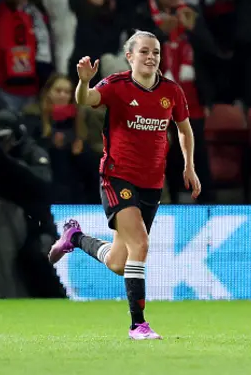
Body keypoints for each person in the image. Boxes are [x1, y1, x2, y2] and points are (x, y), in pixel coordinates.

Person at [47, 30, 201, 340]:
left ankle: (74, 238)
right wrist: (84, 81)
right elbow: (85, 100)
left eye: (155, 52)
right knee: (141, 245)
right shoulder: (116, 86)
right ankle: (138, 325)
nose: (151, 57)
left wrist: (189, 165)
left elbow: (184, 130)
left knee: (119, 262)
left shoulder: (171, 91)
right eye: (144, 51)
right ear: (129, 56)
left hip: (152, 184)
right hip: (117, 177)